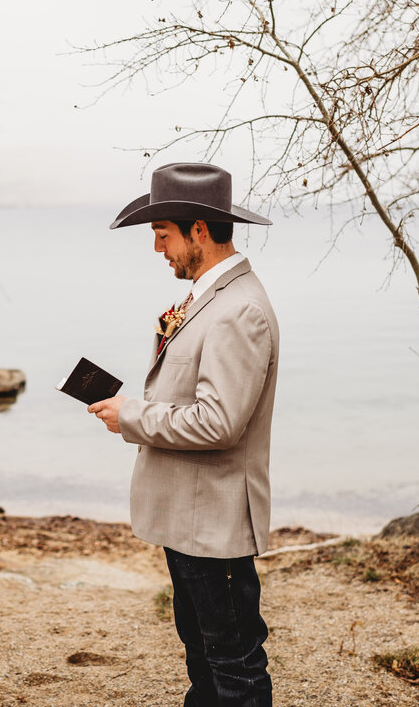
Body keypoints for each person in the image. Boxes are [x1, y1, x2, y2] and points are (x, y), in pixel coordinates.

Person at [89, 162, 279, 707]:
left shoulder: (238, 310)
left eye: (162, 234)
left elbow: (219, 423)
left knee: (234, 665)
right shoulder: (209, 299)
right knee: (204, 658)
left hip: (212, 519)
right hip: (190, 516)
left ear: (199, 231)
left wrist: (131, 414)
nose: (156, 248)